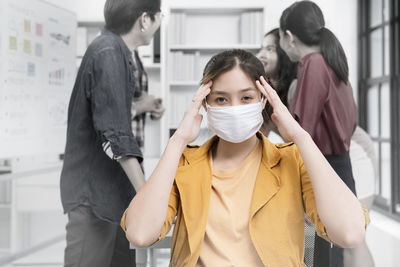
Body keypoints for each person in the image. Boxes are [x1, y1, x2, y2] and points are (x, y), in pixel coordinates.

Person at [120, 49, 369, 266]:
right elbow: (141, 233)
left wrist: (300, 136)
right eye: (221, 99)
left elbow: (350, 233)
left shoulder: (292, 159)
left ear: (263, 100)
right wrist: (177, 141)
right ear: (204, 104)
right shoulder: (185, 162)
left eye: (246, 97)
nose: (234, 108)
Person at [60, 0, 162, 266]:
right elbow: (115, 132)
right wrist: (147, 194)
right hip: (95, 195)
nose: (159, 22)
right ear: (144, 19)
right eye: (159, 16)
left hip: (114, 194)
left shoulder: (118, 52)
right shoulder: (108, 52)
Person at [279, 1, 359, 266]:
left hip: (324, 167)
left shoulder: (312, 63)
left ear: (288, 37)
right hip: (340, 165)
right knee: (331, 252)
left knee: (321, 254)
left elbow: (299, 130)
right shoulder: (333, 59)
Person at [256, 28, 297, 138]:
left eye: (270, 49)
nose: (260, 55)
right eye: (261, 49)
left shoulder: (295, 88)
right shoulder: (263, 90)